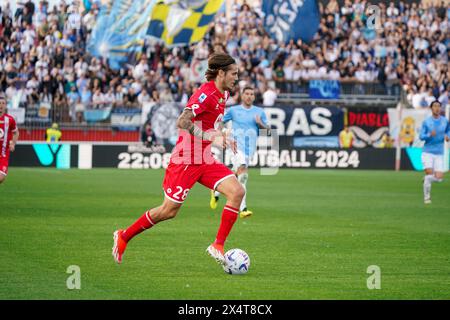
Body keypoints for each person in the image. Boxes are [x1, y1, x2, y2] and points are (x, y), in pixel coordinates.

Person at [112, 53, 244, 266]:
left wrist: (220, 135)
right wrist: (210, 136)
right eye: (234, 74)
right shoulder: (205, 94)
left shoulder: (224, 94)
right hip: (186, 160)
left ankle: (218, 245)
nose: (236, 78)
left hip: (204, 159)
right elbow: (182, 121)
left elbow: (210, 123)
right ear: (221, 73)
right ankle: (124, 236)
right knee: (168, 211)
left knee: (237, 191)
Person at [210, 86, 270, 218]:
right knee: (243, 174)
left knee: (237, 174)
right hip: (235, 147)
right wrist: (221, 134)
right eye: (247, 93)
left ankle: (216, 190)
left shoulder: (259, 112)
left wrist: (260, 123)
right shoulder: (233, 110)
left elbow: (269, 130)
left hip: (250, 149)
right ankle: (243, 208)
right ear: (242, 96)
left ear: (254, 97)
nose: (249, 96)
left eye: (251, 94)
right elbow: (220, 122)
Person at [419, 100, 450, 204]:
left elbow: (448, 130)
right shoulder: (426, 122)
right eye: (435, 106)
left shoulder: (445, 121)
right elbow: (421, 136)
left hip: (439, 153)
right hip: (427, 152)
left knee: (439, 178)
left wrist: (447, 136)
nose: (437, 108)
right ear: (431, 108)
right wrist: (429, 135)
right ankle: (427, 198)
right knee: (429, 173)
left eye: (439, 106)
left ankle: (427, 179)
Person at [0, 95, 19, 184]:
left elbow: (16, 132)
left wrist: (13, 143)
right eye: (0, 103)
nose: (1, 105)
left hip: (3, 154)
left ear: (6, 105)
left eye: (3, 103)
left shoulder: (10, 119)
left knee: (1, 178)